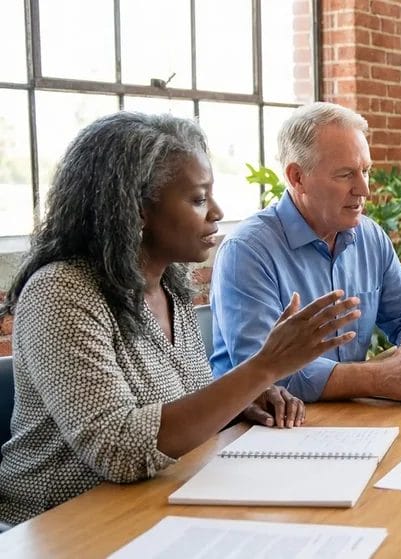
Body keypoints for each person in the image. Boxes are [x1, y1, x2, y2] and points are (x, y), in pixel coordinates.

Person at [0, 112, 358, 526]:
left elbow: (181, 400)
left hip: (159, 504)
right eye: (198, 199)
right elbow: (121, 450)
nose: (217, 212)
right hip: (60, 526)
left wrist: (242, 400)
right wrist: (265, 367)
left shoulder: (168, 283)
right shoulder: (61, 292)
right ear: (135, 210)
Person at [210, 102, 401, 403]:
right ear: (297, 177)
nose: (364, 189)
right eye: (345, 175)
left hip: (347, 419)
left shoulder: (370, 236)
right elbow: (263, 372)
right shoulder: (246, 251)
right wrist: (378, 377)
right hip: (260, 430)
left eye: (366, 171)